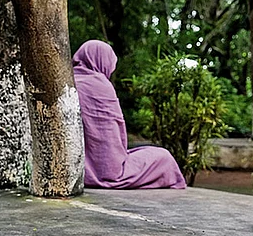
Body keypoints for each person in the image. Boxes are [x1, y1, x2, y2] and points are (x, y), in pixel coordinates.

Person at [72, 40, 186, 189]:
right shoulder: (101, 86)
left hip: (76, 169)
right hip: (107, 171)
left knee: (144, 151)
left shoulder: (69, 82)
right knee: (164, 158)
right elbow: (112, 137)